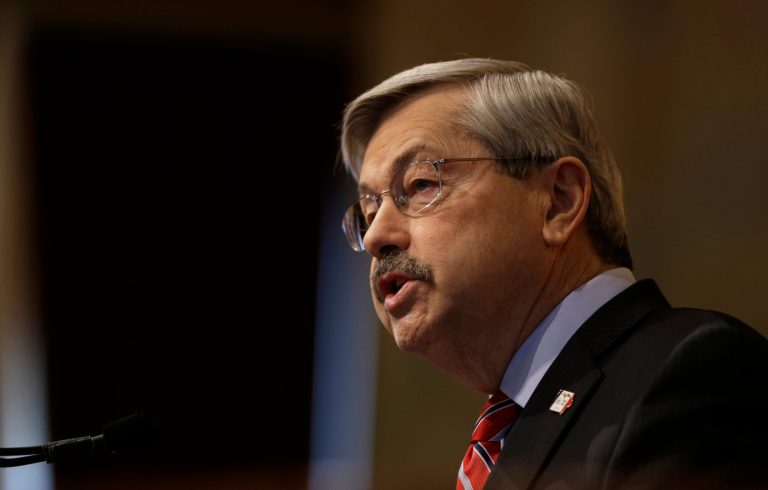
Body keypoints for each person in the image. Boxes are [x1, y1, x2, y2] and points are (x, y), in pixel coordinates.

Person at [338, 58, 768, 490]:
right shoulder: (514, 430)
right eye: (369, 211)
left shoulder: (690, 372)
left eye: (419, 185)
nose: (376, 236)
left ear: (559, 201)